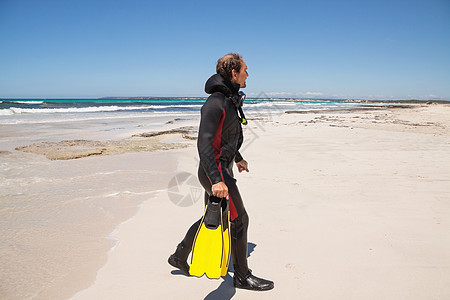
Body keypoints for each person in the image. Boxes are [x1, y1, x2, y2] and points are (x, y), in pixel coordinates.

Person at [168, 53, 274, 291]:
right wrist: (217, 179)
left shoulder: (229, 100)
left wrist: (237, 158)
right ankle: (242, 276)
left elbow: (225, 137)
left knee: (212, 217)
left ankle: (179, 256)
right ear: (234, 73)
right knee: (239, 219)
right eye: (246, 69)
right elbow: (204, 143)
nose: (249, 73)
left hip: (221, 168)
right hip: (214, 172)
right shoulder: (215, 102)